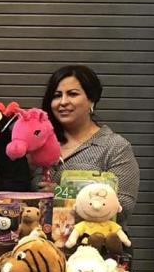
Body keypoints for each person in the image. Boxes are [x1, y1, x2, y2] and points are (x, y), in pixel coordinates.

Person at [42, 64, 140, 215]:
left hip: (93, 237)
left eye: (72, 94)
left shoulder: (115, 147)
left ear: (92, 99)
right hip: (42, 237)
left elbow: (124, 205)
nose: (62, 102)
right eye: (56, 96)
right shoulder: (41, 143)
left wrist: (62, 193)